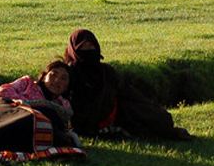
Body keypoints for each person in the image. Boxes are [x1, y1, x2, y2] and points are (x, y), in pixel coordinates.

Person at [64, 29, 196, 141]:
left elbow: (128, 92)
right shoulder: (69, 74)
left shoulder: (106, 71)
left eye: (90, 45)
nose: (88, 50)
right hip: (84, 125)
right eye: (83, 47)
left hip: (114, 116)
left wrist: (150, 107)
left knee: (157, 119)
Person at [0, 61, 86, 165]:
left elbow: (62, 126)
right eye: (53, 74)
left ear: (67, 86)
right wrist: (24, 105)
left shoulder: (63, 106)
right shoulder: (27, 83)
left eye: (63, 78)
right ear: (44, 75)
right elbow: (3, 93)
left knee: (40, 122)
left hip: (29, 129)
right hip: (10, 113)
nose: (57, 80)